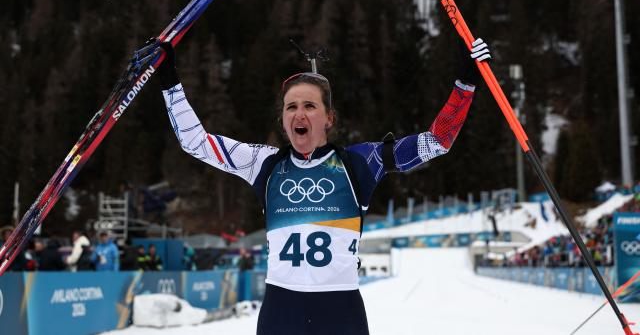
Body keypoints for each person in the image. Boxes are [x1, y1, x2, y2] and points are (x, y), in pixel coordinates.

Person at [157, 36, 491, 335]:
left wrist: (466, 82)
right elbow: (196, 142)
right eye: (291, 107)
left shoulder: (360, 163)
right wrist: (169, 81)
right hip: (280, 311)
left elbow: (437, 140)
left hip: (339, 310)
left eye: (309, 106)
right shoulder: (265, 163)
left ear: (329, 118)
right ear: (282, 118)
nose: (298, 114)